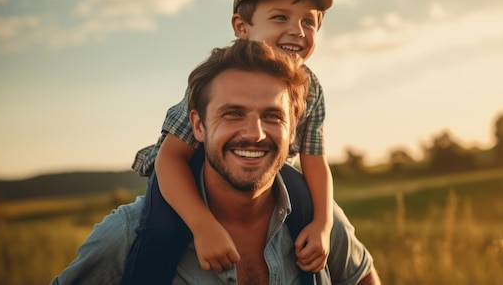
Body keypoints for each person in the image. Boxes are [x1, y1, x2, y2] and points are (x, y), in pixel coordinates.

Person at [51, 40, 381, 284]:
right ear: (197, 126)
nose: (255, 134)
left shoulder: (318, 218)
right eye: (233, 113)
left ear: (294, 127)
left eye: (272, 116)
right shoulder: (128, 233)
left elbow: (363, 277)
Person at [122, 0, 336, 284]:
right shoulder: (221, 78)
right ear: (241, 27)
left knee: (306, 212)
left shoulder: (311, 87)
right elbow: (171, 157)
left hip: (266, 168)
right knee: (162, 229)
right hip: (191, 169)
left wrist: (323, 224)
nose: (298, 30)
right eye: (281, 17)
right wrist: (203, 225)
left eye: (309, 22)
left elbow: (315, 161)